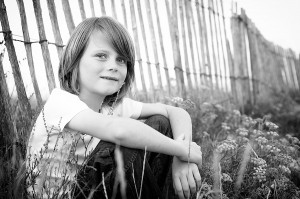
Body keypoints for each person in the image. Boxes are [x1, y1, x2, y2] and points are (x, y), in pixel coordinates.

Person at [25, 16, 202, 199]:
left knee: (161, 123)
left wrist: (183, 158)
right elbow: (119, 132)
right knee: (122, 148)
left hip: (98, 190)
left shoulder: (112, 106)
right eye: (101, 56)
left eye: (121, 60)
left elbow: (175, 111)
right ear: (75, 60)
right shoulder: (60, 102)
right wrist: (180, 149)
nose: (113, 66)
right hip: (67, 196)